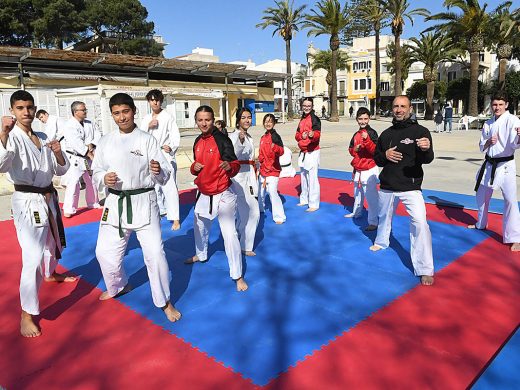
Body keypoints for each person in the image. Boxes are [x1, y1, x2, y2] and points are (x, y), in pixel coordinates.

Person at [92, 93, 181, 322]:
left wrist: (157, 170)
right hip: (115, 203)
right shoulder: (105, 141)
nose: (122, 117)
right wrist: (104, 179)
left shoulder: (147, 140)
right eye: (117, 113)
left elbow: (165, 172)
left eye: (125, 111)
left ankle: (164, 301)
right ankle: (119, 285)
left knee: (156, 255)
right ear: (112, 115)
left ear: (134, 111)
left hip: (144, 202)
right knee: (104, 252)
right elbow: (96, 170)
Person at [0, 90, 75, 337]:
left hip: (48, 196)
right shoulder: (10, 137)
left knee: (53, 241)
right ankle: (26, 313)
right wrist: (2, 134)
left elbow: (61, 170)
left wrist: (57, 152)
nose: (26, 112)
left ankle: (51, 273)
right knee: (32, 256)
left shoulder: (42, 136)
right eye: (20, 108)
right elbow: (1, 166)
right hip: (27, 201)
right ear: (13, 110)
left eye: (30, 107)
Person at [369, 95, 435, 286]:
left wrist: (426, 148)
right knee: (384, 216)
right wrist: (385, 154)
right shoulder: (386, 134)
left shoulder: (421, 131)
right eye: (396, 106)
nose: (399, 110)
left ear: (410, 109)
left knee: (420, 223)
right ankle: (381, 242)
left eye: (403, 106)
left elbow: (428, 158)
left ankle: (424, 268)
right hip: (388, 185)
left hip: (410, 186)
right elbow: (378, 160)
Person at [184, 105, 248, 292]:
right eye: (200, 120)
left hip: (223, 192)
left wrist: (230, 167)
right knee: (200, 226)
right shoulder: (197, 141)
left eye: (207, 119)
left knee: (229, 234)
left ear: (213, 120)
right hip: (204, 192)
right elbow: (196, 165)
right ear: (196, 121)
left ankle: (237, 275)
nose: (204, 123)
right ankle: (201, 254)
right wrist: (193, 168)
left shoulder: (222, 139)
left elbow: (234, 163)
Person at [468, 92, 520, 251]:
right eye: (494, 105)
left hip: (505, 165)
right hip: (489, 164)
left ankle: (515, 238)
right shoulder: (488, 123)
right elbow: (481, 146)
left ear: (506, 105)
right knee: (481, 195)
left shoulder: (513, 120)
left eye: (500, 104)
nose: (497, 107)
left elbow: (514, 144)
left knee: (510, 200)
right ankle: (481, 223)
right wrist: (488, 142)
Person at [140, 89, 181, 231]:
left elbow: (175, 135)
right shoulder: (146, 119)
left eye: (157, 99)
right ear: (149, 101)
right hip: (150, 155)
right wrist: (148, 126)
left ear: (161, 101)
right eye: (152, 100)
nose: (155, 102)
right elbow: (139, 135)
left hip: (165, 154)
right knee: (154, 186)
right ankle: (161, 210)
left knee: (169, 187)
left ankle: (175, 218)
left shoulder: (168, 117)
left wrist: (171, 146)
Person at [228, 108, 260, 256]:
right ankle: (245, 245)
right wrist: (240, 142)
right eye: (243, 117)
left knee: (248, 211)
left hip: (250, 175)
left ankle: (241, 241)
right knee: (250, 211)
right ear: (238, 120)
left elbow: (250, 157)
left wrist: (256, 165)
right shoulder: (234, 136)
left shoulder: (249, 136)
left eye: (249, 117)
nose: (247, 120)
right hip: (239, 178)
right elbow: (233, 155)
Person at [62, 101, 100, 217]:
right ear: (75, 112)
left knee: (91, 180)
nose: (85, 112)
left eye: (85, 109)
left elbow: (98, 134)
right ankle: (69, 209)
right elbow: (75, 142)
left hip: (88, 156)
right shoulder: (69, 125)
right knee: (74, 183)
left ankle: (93, 202)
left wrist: (92, 144)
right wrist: (87, 151)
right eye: (83, 110)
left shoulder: (89, 123)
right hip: (75, 158)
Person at [345, 107, 379, 231]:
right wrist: (355, 150)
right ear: (357, 120)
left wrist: (367, 140)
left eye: (365, 119)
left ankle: (373, 221)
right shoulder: (356, 134)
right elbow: (350, 149)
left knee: (371, 196)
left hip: (369, 167)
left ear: (369, 119)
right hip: (358, 167)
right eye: (360, 119)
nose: (363, 121)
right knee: (357, 194)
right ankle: (357, 212)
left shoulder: (372, 133)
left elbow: (376, 151)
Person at [258, 113, 286, 224]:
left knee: (272, 192)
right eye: (266, 121)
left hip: (273, 170)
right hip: (263, 170)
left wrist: (276, 148)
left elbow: (282, 151)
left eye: (270, 121)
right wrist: (258, 162)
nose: (268, 123)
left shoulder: (275, 136)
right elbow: (261, 153)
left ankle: (279, 216)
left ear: (274, 123)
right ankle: (260, 209)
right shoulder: (262, 137)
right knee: (260, 193)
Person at [295, 97, 321, 212]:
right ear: (302, 106)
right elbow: (297, 135)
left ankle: (314, 203)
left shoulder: (315, 119)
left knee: (312, 178)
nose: (306, 108)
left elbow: (317, 134)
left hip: (312, 151)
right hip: (303, 151)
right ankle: (304, 199)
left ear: (312, 107)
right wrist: (302, 137)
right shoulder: (302, 119)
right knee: (304, 176)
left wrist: (312, 134)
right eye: (305, 106)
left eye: (308, 106)